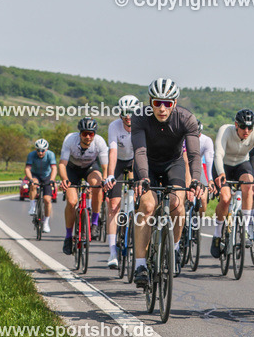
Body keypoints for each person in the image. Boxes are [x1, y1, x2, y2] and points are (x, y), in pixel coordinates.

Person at [131, 78, 205, 287]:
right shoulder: (140, 118)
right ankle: (140, 264)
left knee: (177, 205)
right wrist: (144, 177)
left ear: (174, 103)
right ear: (150, 101)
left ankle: (173, 248)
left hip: (173, 164)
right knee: (147, 206)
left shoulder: (186, 118)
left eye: (168, 103)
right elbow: (140, 151)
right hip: (147, 166)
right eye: (157, 103)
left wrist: (197, 180)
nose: (162, 108)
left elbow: (193, 154)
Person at [212, 109, 254, 258]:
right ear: (236, 125)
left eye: (249, 128)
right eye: (243, 127)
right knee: (225, 199)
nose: (246, 131)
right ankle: (218, 233)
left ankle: (246, 228)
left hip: (241, 164)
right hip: (223, 165)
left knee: (249, 185)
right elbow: (218, 154)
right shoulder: (225, 130)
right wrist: (221, 174)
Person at [57, 118, 108, 255]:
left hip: (90, 168)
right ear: (79, 133)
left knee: (97, 186)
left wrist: (105, 179)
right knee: (72, 201)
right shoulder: (70, 140)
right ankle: (68, 237)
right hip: (72, 169)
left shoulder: (99, 142)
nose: (87, 137)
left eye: (91, 134)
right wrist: (65, 180)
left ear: (94, 134)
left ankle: (95, 223)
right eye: (84, 133)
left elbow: (105, 166)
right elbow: (62, 164)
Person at [102, 95, 140, 268]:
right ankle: (112, 252)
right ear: (120, 114)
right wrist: (110, 175)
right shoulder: (114, 126)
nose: (128, 116)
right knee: (114, 205)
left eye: (131, 113)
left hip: (135, 162)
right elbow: (113, 151)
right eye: (125, 113)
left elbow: (143, 152)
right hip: (118, 163)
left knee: (139, 199)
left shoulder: (141, 125)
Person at [24, 138, 56, 234]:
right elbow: (27, 168)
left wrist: (52, 180)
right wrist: (30, 179)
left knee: (47, 200)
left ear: (46, 150)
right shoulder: (31, 155)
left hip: (47, 176)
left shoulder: (51, 155)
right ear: (35, 149)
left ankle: (46, 222)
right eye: (38, 150)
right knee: (33, 184)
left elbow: (54, 168)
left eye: (42, 150)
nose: (40, 153)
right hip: (35, 175)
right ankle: (32, 206)